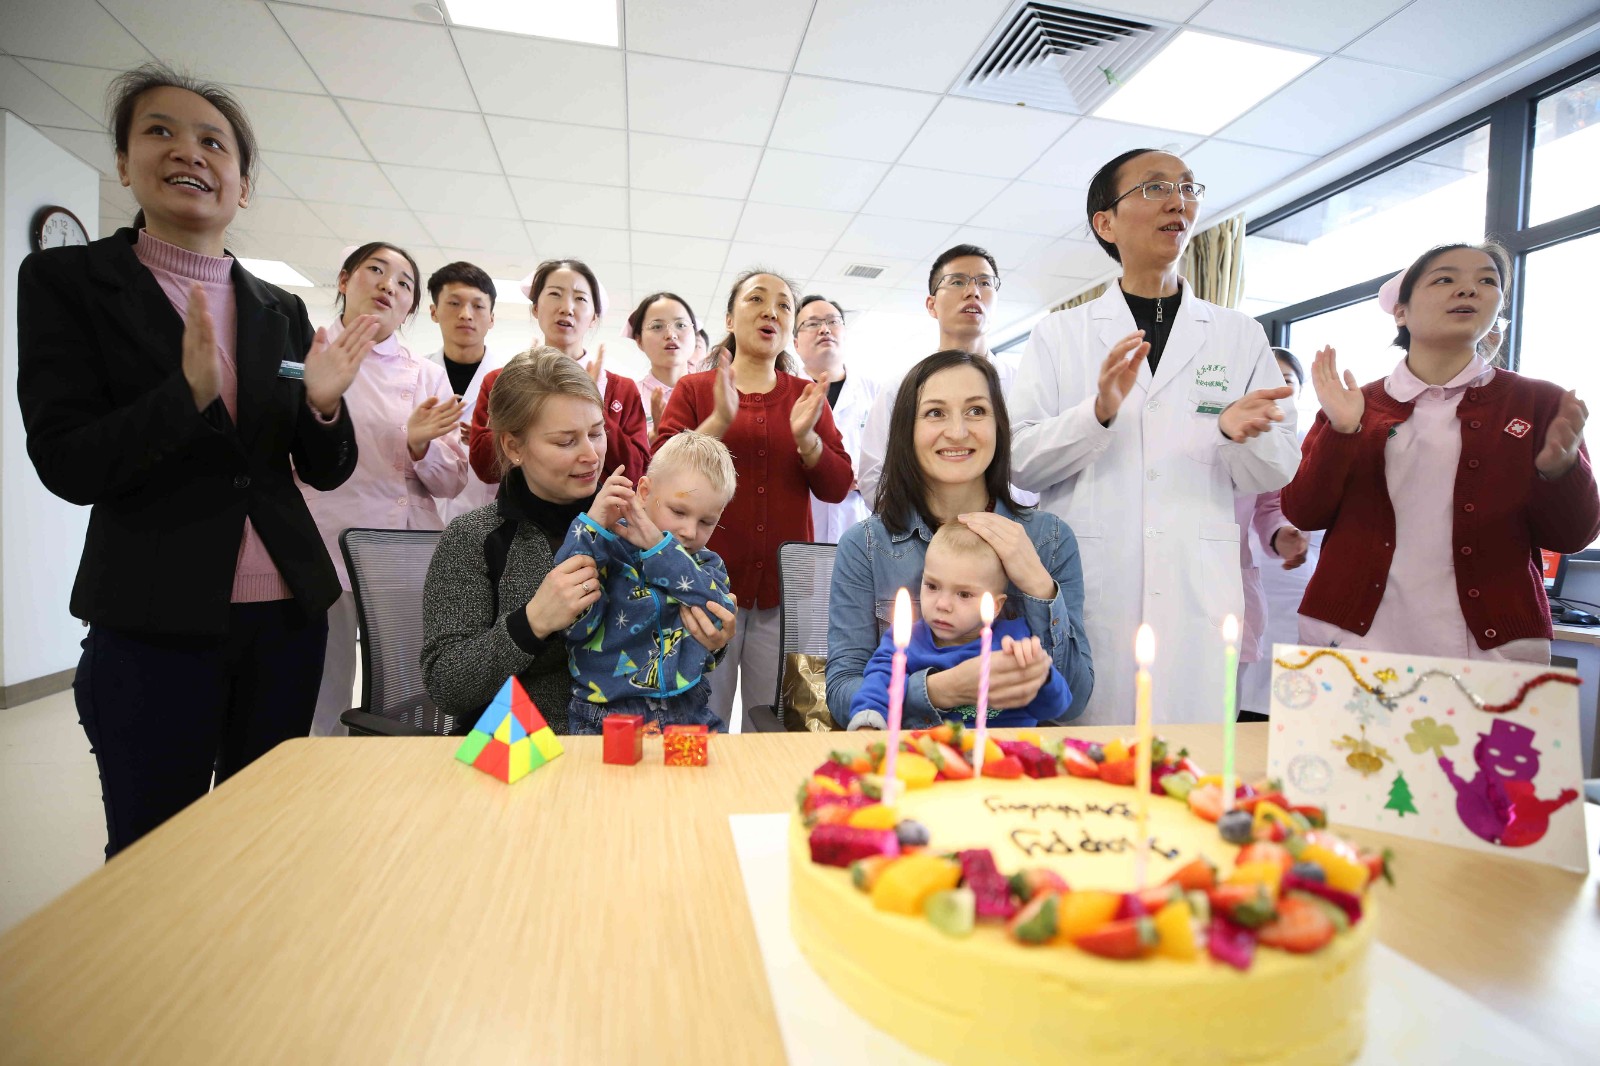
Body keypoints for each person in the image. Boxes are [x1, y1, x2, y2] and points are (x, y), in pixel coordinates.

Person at [16, 64, 373, 856]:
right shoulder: (67, 282)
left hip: (285, 619)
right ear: (123, 163)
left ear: (242, 185)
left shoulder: (277, 307)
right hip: (154, 617)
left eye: (215, 142)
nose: (190, 152)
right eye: (161, 132)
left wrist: (322, 404)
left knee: (259, 840)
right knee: (155, 848)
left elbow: (322, 467)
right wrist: (182, 395)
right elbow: (66, 463)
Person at [1009, 148, 1299, 725]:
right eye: (1154, 188)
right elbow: (1021, 460)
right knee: (1090, 756)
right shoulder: (1060, 334)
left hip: (1198, 587)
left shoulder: (1238, 335)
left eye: (1189, 189)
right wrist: (1097, 414)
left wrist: (1236, 436)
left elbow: (1278, 469)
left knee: (1189, 758)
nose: (1178, 201)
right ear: (1105, 223)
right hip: (1095, 580)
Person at [1282, 241, 1600, 663]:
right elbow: (1304, 511)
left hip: (1492, 648)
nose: (1469, 290)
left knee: (1488, 734)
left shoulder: (1539, 402)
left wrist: (1559, 473)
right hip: (1352, 641)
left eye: (1487, 281)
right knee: (1340, 735)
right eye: (1445, 279)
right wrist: (1343, 431)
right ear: (1401, 311)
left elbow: (1572, 536)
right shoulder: (1357, 404)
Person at [422, 350, 735, 732]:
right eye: (565, 441)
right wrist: (532, 621)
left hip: (642, 739)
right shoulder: (473, 538)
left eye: (596, 432)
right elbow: (446, 685)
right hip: (520, 748)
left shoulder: (644, 524)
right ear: (514, 447)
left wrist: (711, 639)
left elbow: (675, 632)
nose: (591, 455)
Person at [828, 350, 1093, 725]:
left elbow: (1074, 701)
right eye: (935, 413)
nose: (957, 431)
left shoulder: (1049, 538)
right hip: (905, 765)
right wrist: (940, 690)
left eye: (976, 411)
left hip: (1008, 766)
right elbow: (841, 693)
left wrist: (1036, 583)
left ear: (999, 425)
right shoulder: (866, 545)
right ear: (908, 429)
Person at [654, 269, 853, 731]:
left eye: (784, 305)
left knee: (773, 724)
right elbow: (661, 472)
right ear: (729, 317)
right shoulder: (695, 389)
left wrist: (807, 441)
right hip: (700, 590)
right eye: (756, 300)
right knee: (700, 720)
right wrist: (720, 420)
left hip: (784, 593)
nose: (771, 311)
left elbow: (838, 485)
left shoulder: (805, 397)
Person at [299, 241, 469, 736]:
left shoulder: (426, 375)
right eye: (376, 270)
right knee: (321, 688)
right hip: (323, 542)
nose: (387, 286)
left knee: (409, 689)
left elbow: (451, 480)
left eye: (403, 283)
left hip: (403, 552)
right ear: (344, 280)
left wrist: (419, 445)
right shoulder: (308, 354)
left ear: (411, 308)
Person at [552, 432, 739, 734]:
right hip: (604, 715)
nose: (690, 531)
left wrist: (659, 547)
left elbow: (716, 618)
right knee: (607, 783)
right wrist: (591, 526)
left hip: (689, 710)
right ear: (643, 491)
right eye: (678, 511)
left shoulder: (707, 565)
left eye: (707, 521)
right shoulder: (607, 552)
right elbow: (576, 624)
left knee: (713, 780)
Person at [845, 522, 1069, 730]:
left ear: (995, 605)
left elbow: (1054, 708)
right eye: (932, 586)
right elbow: (878, 685)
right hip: (930, 756)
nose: (942, 605)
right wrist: (868, 720)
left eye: (964, 594)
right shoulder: (904, 640)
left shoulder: (1015, 642)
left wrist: (1041, 674)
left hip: (1003, 758)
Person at [857, 244, 1016, 506]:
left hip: (1010, 534)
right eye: (957, 281)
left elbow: (1036, 474)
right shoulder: (900, 387)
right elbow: (875, 476)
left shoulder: (1024, 384)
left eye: (985, 283)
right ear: (932, 305)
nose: (973, 292)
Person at [469, 259, 650, 486]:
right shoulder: (499, 382)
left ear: (594, 317)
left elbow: (635, 470)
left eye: (581, 298)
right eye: (555, 294)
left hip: (600, 516)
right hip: (524, 514)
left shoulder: (621, 389)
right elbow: (484, 468)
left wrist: (596, 406)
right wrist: (526, 400)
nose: (567, 308)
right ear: (535, 307)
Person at [1237, 348, 1316, 716]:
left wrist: (1280, 533)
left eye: (1285, 382)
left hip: (1279, 581)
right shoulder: (1229, 428)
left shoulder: (1306, 443)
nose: (1275, 391)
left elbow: (1268, 505)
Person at [794, 294, 885, 541]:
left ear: (844, 332)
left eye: (833, 321)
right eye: (812, 324)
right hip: (803, 526)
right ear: (795, 343)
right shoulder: (785, 392)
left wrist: (866, 475)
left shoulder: (876, 393)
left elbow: (896, 459)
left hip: (861, 522)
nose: (825, 329)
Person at [426, 262, 510, 522]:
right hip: (422, 517)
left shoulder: (512, 382)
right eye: (454, 303)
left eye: (478, 305)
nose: (465, 314)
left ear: (492, 318)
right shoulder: (415, 376)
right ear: (434, 311)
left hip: (488, 519)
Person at [628, 292, 697, 435]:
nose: (671, 334)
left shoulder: (713, 391)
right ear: (639, 340)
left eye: (681, 324)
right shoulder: (630, 396)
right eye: (657, 327)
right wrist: (654, 434)